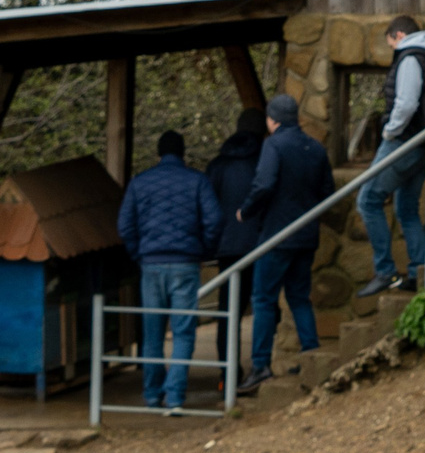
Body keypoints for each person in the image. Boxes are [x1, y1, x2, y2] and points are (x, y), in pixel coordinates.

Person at [115, 129, 224, 414]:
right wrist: (203, 252)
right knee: (183, 333)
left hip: (150, 266)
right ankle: (174, 397)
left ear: (158, 154)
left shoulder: (140, 182)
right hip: (186, 265)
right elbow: (214, 219)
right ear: (183, 153)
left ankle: (152, 395)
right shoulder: (197, 181)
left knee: (151, 334)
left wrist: (140, 254)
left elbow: (125, 225)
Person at [236, 94, 331, 395]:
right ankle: (312, 356)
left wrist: (246, 210)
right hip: (306, 236)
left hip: (277, 237)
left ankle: (260, 365)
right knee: (299, 297)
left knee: (263, 299)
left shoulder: (274, 145)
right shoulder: (315, 149)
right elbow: (327, 191)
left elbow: (263, 184)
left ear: (273, 120)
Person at [357, 15, 425, 294]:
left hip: (404, 141)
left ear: (398, 35)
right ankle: (419, 271)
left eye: (391, 45)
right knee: (406, 208)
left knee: (368, 199)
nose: (392, 52)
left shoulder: (410, 57)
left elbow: (406, 103)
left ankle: (385, 271)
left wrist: (389, 132)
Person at [204, 107, 268, 383]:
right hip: (261, 244)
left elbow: (208, 209)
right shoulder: (265, 161)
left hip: (228, 249)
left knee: (227, 313)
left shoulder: (218, 164)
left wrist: (210, 243)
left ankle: (226, 375)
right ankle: (261, 365)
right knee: (265, 307)